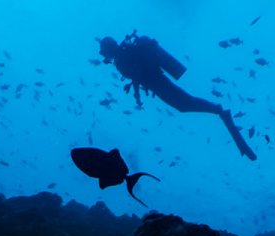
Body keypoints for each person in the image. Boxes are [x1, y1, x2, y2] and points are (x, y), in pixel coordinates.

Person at [99, 33, 257, 161]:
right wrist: (137, 96)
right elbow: (136, 76)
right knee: (184, 105)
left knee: (186, 103)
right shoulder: (123, 56)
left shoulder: (124, 56)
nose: (104, 54)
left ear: (109, 49)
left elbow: (136, 74)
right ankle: (217, 110)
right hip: (156, 83)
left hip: (158, 83)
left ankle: (218, 110)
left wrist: (138, 93)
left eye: (104, 51)